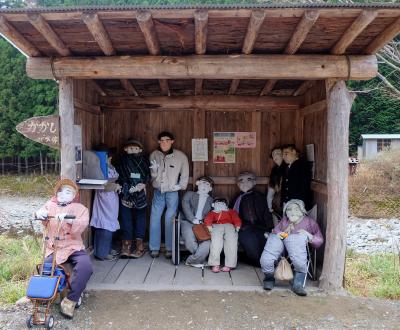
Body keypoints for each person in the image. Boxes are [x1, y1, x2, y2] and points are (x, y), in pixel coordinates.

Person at [34, 179, 93, 319]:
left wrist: (70, 219)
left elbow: (82, 225)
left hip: (74, 246)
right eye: (60, 190)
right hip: (54, 247)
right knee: (46, 267)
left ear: (74, 196)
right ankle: (44, 296)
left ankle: (71, 299)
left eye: (68, 191)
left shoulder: (80, 209)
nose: (62, 193)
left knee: (86, 267)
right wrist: (39, 214)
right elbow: (39, 215)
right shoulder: (49, 204)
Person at [260, 199, 323, 296]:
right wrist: (280, 233)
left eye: (296, 209)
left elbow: (319, 240)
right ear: (286, 212)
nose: (292, 212)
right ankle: (269, 277)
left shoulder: (310, 222)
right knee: (268, 255)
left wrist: (308, 235)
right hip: (282, 246)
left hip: (298, 246)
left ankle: (298, 283)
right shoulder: (285, 221)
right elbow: (276, 232)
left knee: (296, 244)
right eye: (289, 210)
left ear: (302, 211)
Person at [149, 131, 189, 258]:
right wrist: (154, 173)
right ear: (158, 141)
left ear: (172, 141)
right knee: (154, 218)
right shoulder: (154, 155)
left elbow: (185, 174)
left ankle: (170, 248)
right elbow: (152, 176)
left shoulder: (180, 156)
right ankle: (154, 247)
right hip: (158, 191)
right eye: (161, 140)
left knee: (170, 219)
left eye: (167, 140)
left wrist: (181, 186)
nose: (164, 142)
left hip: (172, 191)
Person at [117, 138, 150, 259]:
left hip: (140, 192)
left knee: (141, 219)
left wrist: (142, 184)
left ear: (140, 150)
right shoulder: (121, 162)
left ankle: (139, 244)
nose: (132, 150)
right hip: (126, 192)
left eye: (135, 148)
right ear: (125, 149)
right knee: (126, 219)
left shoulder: (144, 161)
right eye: (130, 148)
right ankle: (126, 244)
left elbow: (147, 175)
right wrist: (125, 186)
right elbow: (119, 175)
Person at [233, 172, 273, 267]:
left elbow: (266, 213)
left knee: (265, 242)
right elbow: (233, 214)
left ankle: (264, 261)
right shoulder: (237, 199)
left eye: (249, 179)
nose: (245, 182)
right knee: (251, 244)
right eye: (241, 180)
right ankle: (256, 261)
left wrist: (270, 228)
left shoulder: (260, 196)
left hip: (260, 227)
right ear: (238, 184)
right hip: (244, 228)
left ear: (254, 182)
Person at [90, 144, 121, 261]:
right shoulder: (100, 167)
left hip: (111, 198)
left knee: (108, 223)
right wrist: (115, 185)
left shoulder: (109, 166)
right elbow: (102, 185)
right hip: (104, 197)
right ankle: (102, 253)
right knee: (105, 225)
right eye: (108, 156)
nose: (110, 158)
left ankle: (105, 249)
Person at [181, 176, 214, 267]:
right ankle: (199, 259)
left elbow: (212, 214)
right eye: (203, 182)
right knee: (190, 238)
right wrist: (192, 219)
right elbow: (185, 207)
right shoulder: (189, 194)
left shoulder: (211, 201)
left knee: (207, 242)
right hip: (188, 222)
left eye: (207, 184)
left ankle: (192, 260)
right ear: (197, 183)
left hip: (202, 224)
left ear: (210, 188)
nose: (205, 185)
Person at [205, 198, 242, 273]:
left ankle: (229, 264)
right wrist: (209, 225)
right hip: (216, 226)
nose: (220, 204)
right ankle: (214, 264)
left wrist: (237, 225)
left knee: (232, 243)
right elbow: (208, 219)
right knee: (215, 243)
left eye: (222, 203)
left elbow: (236, 218)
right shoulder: (212, 212)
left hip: (229, 226)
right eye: (218, 203)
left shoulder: (231, 211)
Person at [281, 144, 312, 210]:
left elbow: (303, 187)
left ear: (294, 152)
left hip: (298, 205)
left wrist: (298, 206)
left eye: (286, 154)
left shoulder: (302, 166)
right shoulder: (288, 166)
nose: (283, 157)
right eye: (283, 155)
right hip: (289, 204)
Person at [267, 147, 286, 217]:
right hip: (277, 202)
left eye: (278, 153)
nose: (276, 155)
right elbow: (271, 189)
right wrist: (269, 206)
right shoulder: (274, 170)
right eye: (273, 154)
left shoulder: (289, 168)